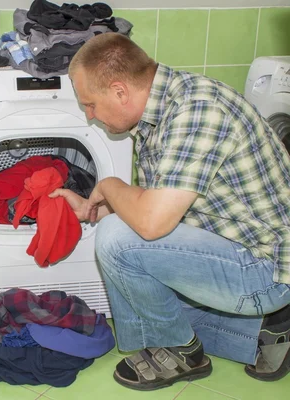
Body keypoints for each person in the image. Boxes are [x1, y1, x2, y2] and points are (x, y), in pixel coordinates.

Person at [50, 32, 290, 391]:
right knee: (149, 303)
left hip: (266, 266)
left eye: (90, 104)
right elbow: (161, 208)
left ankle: (181, 351)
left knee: (119, 246)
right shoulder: (161, 111)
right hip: (232, 247)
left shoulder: (199, 111)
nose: (90, 116)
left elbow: (149, 224)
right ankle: (271, 331)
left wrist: (109, 186)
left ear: (119, 91)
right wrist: (90, 211)